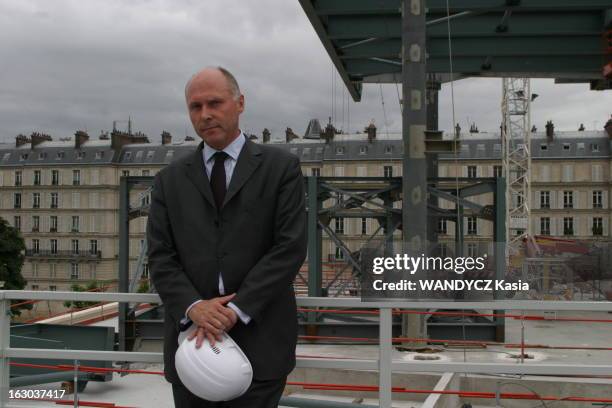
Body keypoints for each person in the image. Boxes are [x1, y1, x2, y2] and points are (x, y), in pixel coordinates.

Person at [147, 66, 307, 407]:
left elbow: (289, 248)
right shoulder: (168, 180)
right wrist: (194, 308)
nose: (205, 115)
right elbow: (160, 255)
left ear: (240, 103)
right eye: (195, 107)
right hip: (192, 349)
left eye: (215, 103)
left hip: (261, 341)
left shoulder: (281, 168)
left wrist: (235, 309)